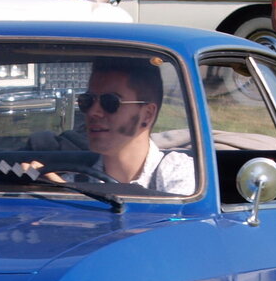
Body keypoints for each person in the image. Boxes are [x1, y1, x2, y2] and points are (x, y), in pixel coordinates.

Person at [76, 58, 195, 194]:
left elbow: (178, 212)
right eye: (87, 101)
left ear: (147, 114)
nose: (93, 112)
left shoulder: (178, 171)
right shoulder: (74, 180)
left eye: (110, 102)